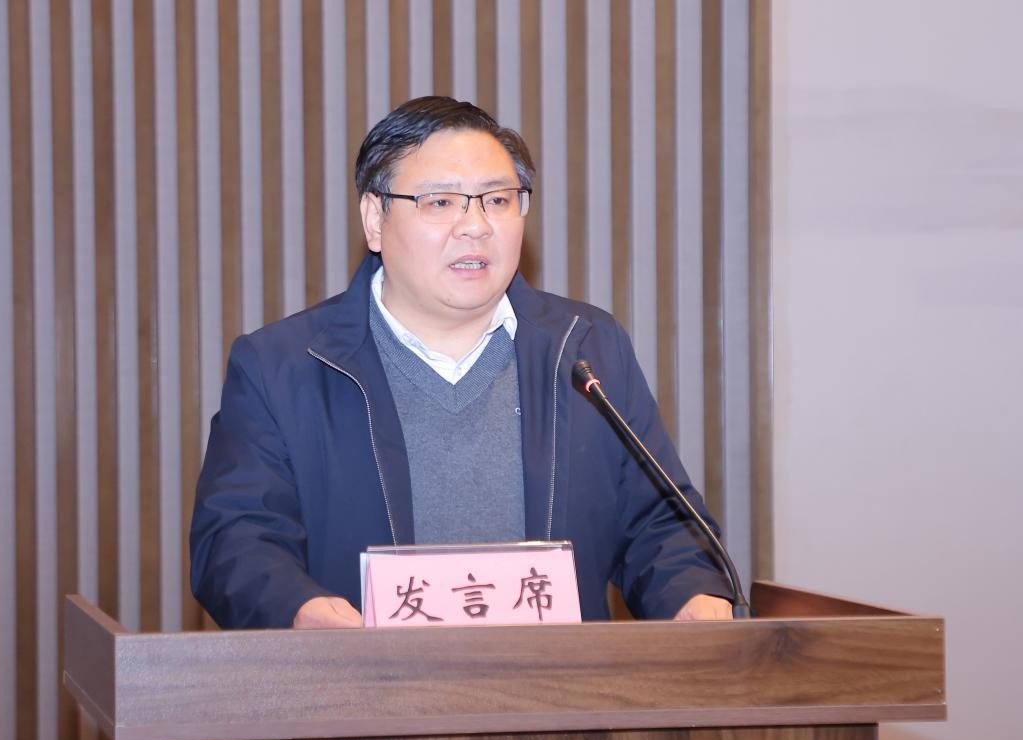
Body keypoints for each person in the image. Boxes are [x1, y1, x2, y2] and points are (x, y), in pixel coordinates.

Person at [190, 96, 734, 629]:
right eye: (441, 202)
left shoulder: (585, 350)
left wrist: (692, 595)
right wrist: (297, 609)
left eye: (497, 200)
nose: (475, 225)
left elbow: (661, 523)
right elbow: (236, 539)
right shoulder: (282, 367)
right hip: (365, 685)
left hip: (558, 686)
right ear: (375, 219)